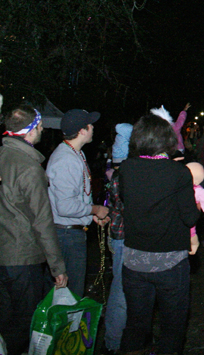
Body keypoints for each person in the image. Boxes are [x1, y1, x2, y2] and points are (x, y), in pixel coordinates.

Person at [118, 113, 200, 355]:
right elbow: (189, 218)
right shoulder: (178, 173)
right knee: (172, 328)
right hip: (169, 263)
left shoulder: (126, 168)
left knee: (136, 325)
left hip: (134, 262)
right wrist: (197, 205)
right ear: (167, 140)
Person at [0, 105, 68, 355]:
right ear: (30, 131)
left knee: (5, 319)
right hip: (21, 257)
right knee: (24, 322)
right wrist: (57, 267)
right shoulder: (29, 168)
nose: (42, 130)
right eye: (39, 126)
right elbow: (42, 222)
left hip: (3, 255)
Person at [46, 108, 110, 298]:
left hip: (72, 232)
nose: (93, 128)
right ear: (82, 130)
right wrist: (96, 209)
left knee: (70, 294)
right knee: (68, 297)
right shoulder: (66, 160)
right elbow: (65, 207)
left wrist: (89, 216)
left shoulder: (75, 154)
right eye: (90, 125)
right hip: (66, 236)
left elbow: (76, 197)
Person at [103, 122, 133, 354]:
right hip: (123, 238)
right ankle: (113, 342)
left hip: (119, 237)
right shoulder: (123, 177)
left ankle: (119, 338)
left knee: (123, 287)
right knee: (121, 290)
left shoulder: (117, 173)